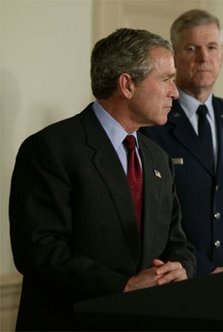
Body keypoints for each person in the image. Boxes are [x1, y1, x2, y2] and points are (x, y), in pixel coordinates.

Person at [9, 28, 196, 330]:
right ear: (127, 85)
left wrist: (180, 268)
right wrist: (125, 286)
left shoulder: (158, 157)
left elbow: (178, 240)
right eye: (165, 79)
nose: (175, 91)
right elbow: (39, 250)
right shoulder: (51, 148)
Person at [140, 9, 223, 276]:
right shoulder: (153, 123)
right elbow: (150, 214)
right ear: (174, 56)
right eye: (191, 48)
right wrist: (202, 269)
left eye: (211, 47)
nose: (203, 58)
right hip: (179, 276)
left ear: (221, 53)